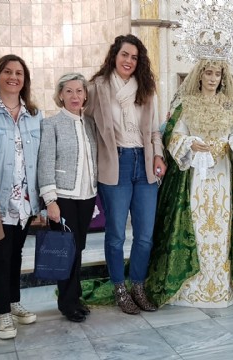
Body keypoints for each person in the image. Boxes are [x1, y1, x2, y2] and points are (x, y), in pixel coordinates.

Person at [145, 58, 233, 308]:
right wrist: (188, 143)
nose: (213, 78)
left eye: (218, 74)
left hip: (222, 177)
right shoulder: (187, 103)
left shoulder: (231, 107)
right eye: (209, 73)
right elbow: (174, 134)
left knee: (221, 227)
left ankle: (218, 287)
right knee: (195, 222)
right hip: (195, 175)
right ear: (200, 75)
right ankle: (189, 288)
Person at [85, 34, 165, 315]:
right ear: (114, 56)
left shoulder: (145, 88)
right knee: (117, 234)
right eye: (125, 55)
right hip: (115, 163)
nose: (129, 61)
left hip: (143, 165)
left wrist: (158, 154)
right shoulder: (97, 87)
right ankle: (120, 287)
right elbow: (87, 126)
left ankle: (138, 286)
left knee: (145, 235)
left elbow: (154, 130)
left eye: (134, 57)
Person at [0, 54, 41, 339]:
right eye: (8, 71)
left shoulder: (34, 113)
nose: (13, 77)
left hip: (25, 200)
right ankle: (2, 312)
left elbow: (38, 157)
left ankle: (13, 302)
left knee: (15, 253)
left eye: (19, 73)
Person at [38, 73, 97, 323]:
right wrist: (50, 200)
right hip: (63, 197)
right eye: (70, 91)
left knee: (79, 248)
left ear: (85, 94)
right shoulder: (51, 124)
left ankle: (75, 296)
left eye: (80, 91)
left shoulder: (90, 123)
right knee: (67, 251)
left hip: (86, 196)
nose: (76, 96)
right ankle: (66, 303)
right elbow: (45, 163)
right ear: (60, 95)